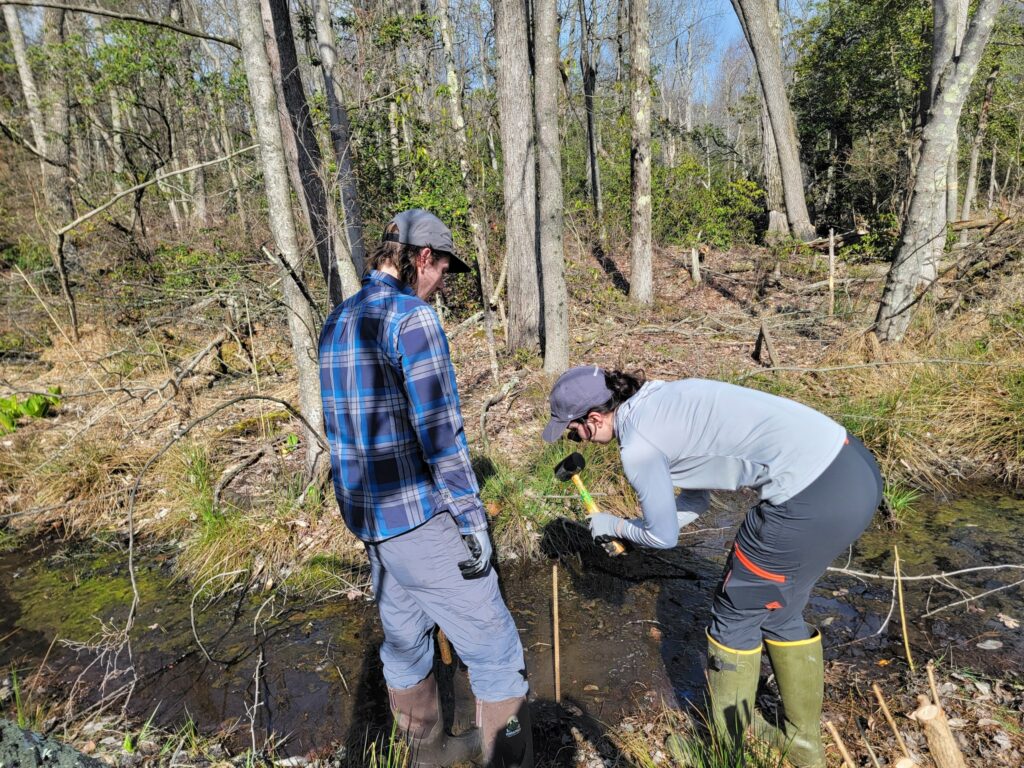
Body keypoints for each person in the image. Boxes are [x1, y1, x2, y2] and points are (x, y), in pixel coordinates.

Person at [542, 366, 882, 767]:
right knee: (778, 606)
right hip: (853, 470)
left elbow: (665, 538)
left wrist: (612, 525)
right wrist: (632, 530)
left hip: (806, 499)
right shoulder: (662, 397)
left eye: (572, 430)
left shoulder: (638, 447)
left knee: (734, 613)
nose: (574, 438)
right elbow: (695, 503)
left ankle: (725, 751)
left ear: (594, 419)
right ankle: (802, 743)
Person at [319, 209, 531, 767]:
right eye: (441, 271)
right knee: (495, 648)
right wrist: (472, 520)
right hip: (414, 518)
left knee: (407, 641)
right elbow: (442, 434)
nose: (441, 285)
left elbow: (347, 427)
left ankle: (429, 755)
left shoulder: (338, 320)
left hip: (370, 521)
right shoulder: (411, 319)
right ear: (421, 258)